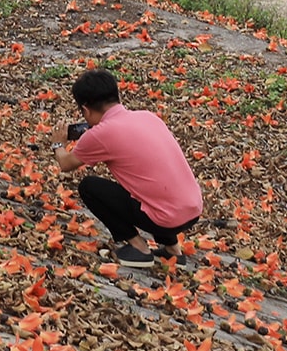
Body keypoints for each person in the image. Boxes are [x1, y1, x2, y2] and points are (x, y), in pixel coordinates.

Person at [52, 68, 201, 268]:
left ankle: (139, 248)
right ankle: (172, 251)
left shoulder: (100, 134)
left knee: (89, 187)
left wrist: (58, 144)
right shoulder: (148, 117)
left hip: (164, 218)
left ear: (85, 110)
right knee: (149, 185)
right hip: (192, 210)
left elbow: (66, 163)